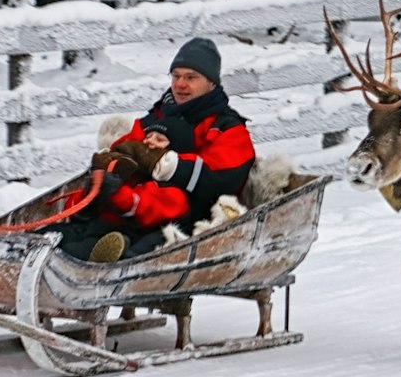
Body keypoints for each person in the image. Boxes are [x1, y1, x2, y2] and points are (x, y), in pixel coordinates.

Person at [48, 37, 257, 262]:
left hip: (186, 219)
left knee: (132, 248)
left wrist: (164, 163)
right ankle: (48, 246)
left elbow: (219, 181)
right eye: (175, 76)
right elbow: (122, 152)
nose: (180, 84)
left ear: (212, 83)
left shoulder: (228, 128)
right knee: (80, 231)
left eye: (190, 77)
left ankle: (97, 262)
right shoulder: (157, 117)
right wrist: (109, 169)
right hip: (134, 208)